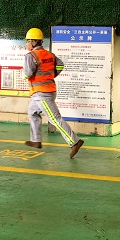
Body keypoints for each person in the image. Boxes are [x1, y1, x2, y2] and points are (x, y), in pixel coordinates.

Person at [23, 28, 84, 158]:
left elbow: (27, 73)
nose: (26, 44)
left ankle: (75, 142)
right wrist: (51, 75)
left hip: (41, 93)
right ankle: (36, 140)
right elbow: (60, 65)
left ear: (34, 42)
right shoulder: (50, 54)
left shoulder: (30, 56)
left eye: (28, 41)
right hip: (48, 91)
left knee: (55, 119)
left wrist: (24, 75)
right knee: (32, 112)